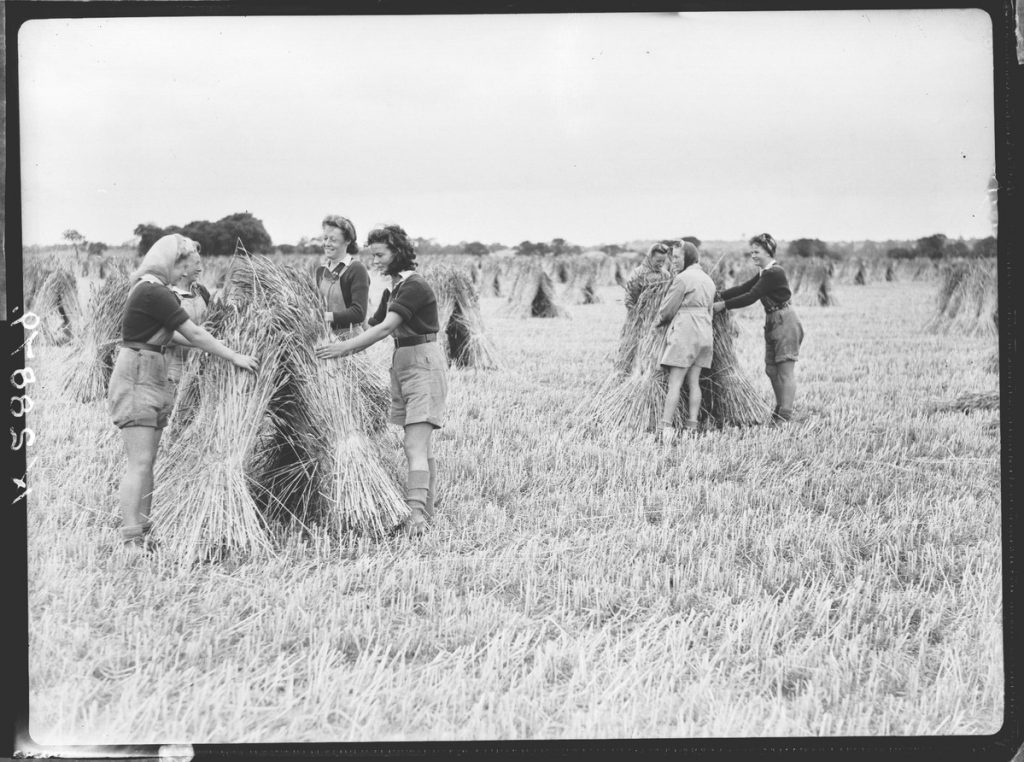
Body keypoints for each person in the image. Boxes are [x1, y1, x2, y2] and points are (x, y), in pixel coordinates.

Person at [108, 234, 258, 553]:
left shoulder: (154, 290)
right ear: (173, 262)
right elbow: (193, 331)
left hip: (150, 367)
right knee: (139, 461)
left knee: (147, 461)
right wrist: (232, 355)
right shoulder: (153, 290)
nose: (192, 272)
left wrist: (220, 348)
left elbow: (177, 336)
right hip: (137, 373)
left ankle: (144, 532)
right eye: (189, 265)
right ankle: (131, 538)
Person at [315, 225, 447, 538]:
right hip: (402, 363)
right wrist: (331, 318)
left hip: (423, 363)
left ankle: (416, 517)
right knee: (420, 444)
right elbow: (367, 324)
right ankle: (426, 510)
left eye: (380, 255)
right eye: (372, 254)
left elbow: (385, 328)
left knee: (413, 443)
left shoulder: (414, 286)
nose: (375, 261)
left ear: (398, 252)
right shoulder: (395, 289)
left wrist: (342, 349)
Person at [713, 233, 804, 424]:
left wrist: (723, 305)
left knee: (785, 370)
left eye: (757, 251)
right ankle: (779, 410)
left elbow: (751, 296)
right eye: (751, 252)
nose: (753, 255)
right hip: (772, 319)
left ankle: (784, 416)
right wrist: (718, 295)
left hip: (785, 320)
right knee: (771, 370)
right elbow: (744, 288)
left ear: (769, 251)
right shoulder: (765, 272)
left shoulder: (774, 272)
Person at [656, 243, 716, 442]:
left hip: (686, 330)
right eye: (673, 258)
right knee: (694, 382)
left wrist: (658, 322)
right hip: (705, 332)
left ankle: (665, 428)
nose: (674, 261)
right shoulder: (708, 280)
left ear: (688, 257)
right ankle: (692, 426)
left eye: (677, 257)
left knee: (675, 382)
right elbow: (710, 309)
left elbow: (668, 308)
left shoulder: (682, 279)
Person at [164, 249, 211, 403]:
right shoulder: (169, 297)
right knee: (172, 419)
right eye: (196, 264)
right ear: (183, 269)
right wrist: (202, 340)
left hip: (201, 371)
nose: (200, 268)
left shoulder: (201, 291)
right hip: (174, 374)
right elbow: (167, 337)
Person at [315, 215, 370, 336]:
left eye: (333, 240)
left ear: (347, 241)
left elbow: (358, 313)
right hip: (325, 338)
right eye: (325, 238)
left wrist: (324, 316)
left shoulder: (356, 269)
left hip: (351, 340)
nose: (327, 244)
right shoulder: (321, 271)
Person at [623, 241, 672, 313]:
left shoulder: (666, 275)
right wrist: (635, 314)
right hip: (640, 317)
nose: (661, 264)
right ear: (650, 257)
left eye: (663, 261)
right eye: (658, 261)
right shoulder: (638, 273)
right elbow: (629, 298)